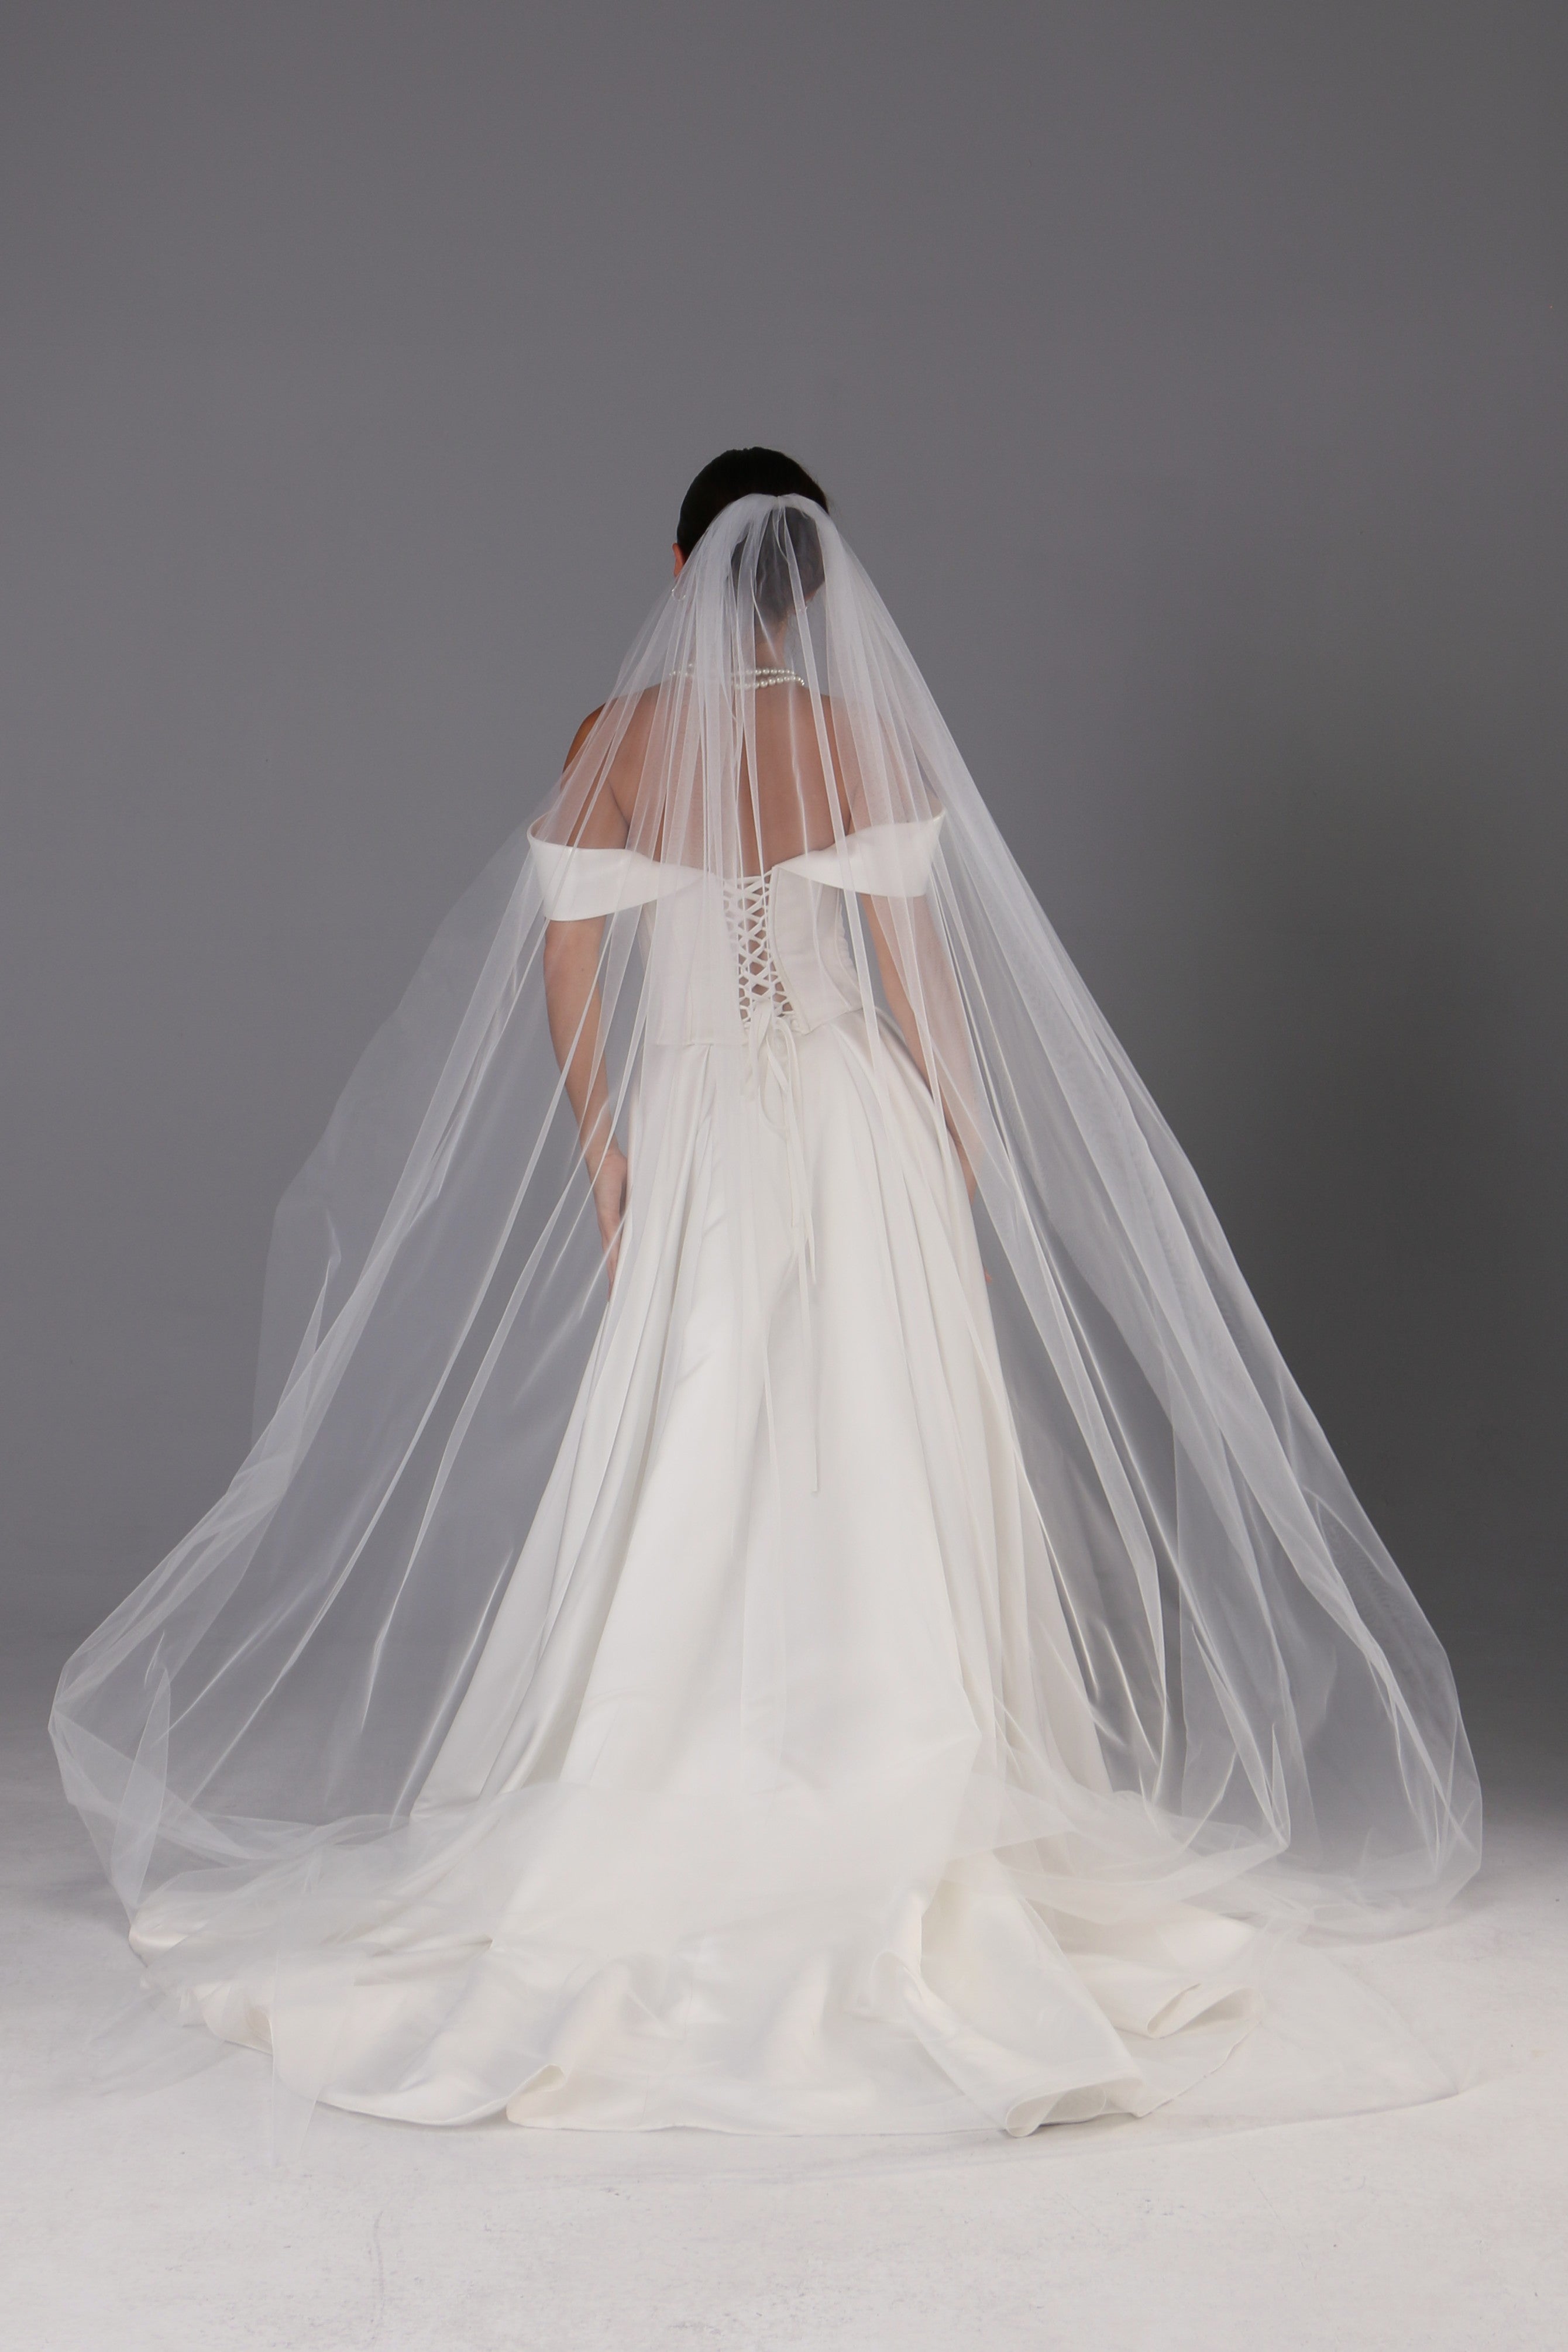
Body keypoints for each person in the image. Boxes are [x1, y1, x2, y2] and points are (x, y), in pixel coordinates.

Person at [53, 449, 1480, 2139]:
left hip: (706, 1130)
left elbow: (570, 960)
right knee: (873, 1438)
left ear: (680, 567)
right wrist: (952, 1140)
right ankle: (897, 1781)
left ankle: (689, 1783)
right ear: (818, 598)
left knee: (706, 1431)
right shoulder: (860, 736)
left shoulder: (617, 741)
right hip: (852, 1115)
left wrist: (606, 1148)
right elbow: (915, 972)